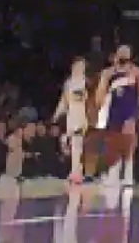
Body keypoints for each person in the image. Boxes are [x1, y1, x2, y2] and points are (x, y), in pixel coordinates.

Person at [95, 45, 139, 186]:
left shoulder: (136, 72)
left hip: (130, 110)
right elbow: (100, 93)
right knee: (113, 142)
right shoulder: (107, 73)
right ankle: (113, 172)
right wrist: (100, 108)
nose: (123, 55)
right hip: (113, 111)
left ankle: (128, 173)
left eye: (126, 53)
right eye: (121, 53)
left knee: (129, 140)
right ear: (116, 55)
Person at [53, 56, 89, 184]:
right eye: (79, 66)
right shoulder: (68, 83)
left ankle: (76, 172)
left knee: (77, 144)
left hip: (81, 115)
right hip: (71, 116)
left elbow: (88, 100)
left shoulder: (86, 82)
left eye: (83, 67)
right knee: (71, 143)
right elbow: (64, 100)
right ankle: (76, 170)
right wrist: (57, 114)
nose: (81, 69)